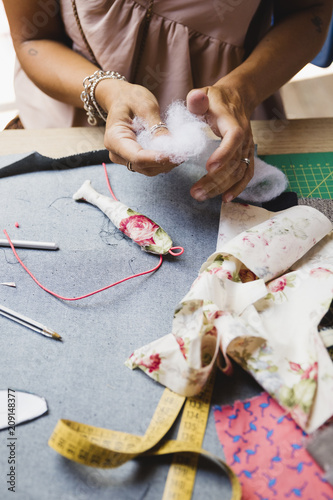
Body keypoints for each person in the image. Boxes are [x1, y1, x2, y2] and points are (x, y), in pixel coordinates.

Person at [3, 0, 332, 203]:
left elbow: (310, 12)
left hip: (219, 132)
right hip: (61, 128)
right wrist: (108, 91)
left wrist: (240, 91)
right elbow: (33, 36)